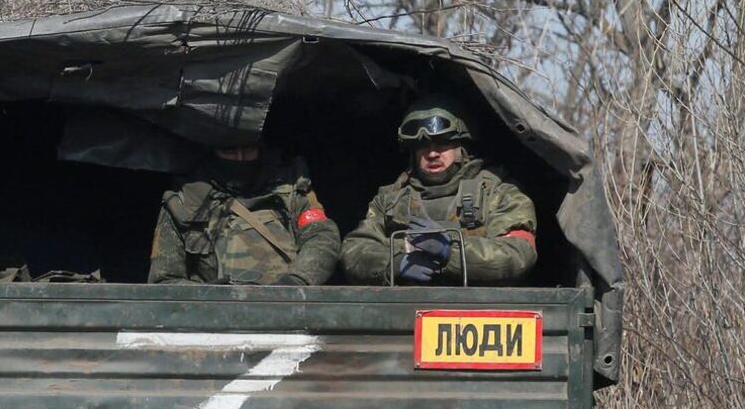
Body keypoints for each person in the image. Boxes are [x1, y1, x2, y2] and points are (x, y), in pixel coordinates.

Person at [342, 97, 538, 286]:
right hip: (406, 303)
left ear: (462, 147)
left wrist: (451, 252)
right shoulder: (391, 197)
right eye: (422, 146)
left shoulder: (497, 192)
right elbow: (354, 250)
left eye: (443, 142)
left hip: (479, 305)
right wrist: (395, 264)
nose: (432, 153)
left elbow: (518, 254)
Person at [148, 144, 340, 285]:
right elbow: (164, 280)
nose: (239, 159)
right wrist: (207, 297)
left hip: (289, 312)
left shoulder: (289, 190)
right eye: (229, 151)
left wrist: (297, 282)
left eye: (248, 150)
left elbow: (321, 237)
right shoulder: (183, 204)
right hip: (215, 320)